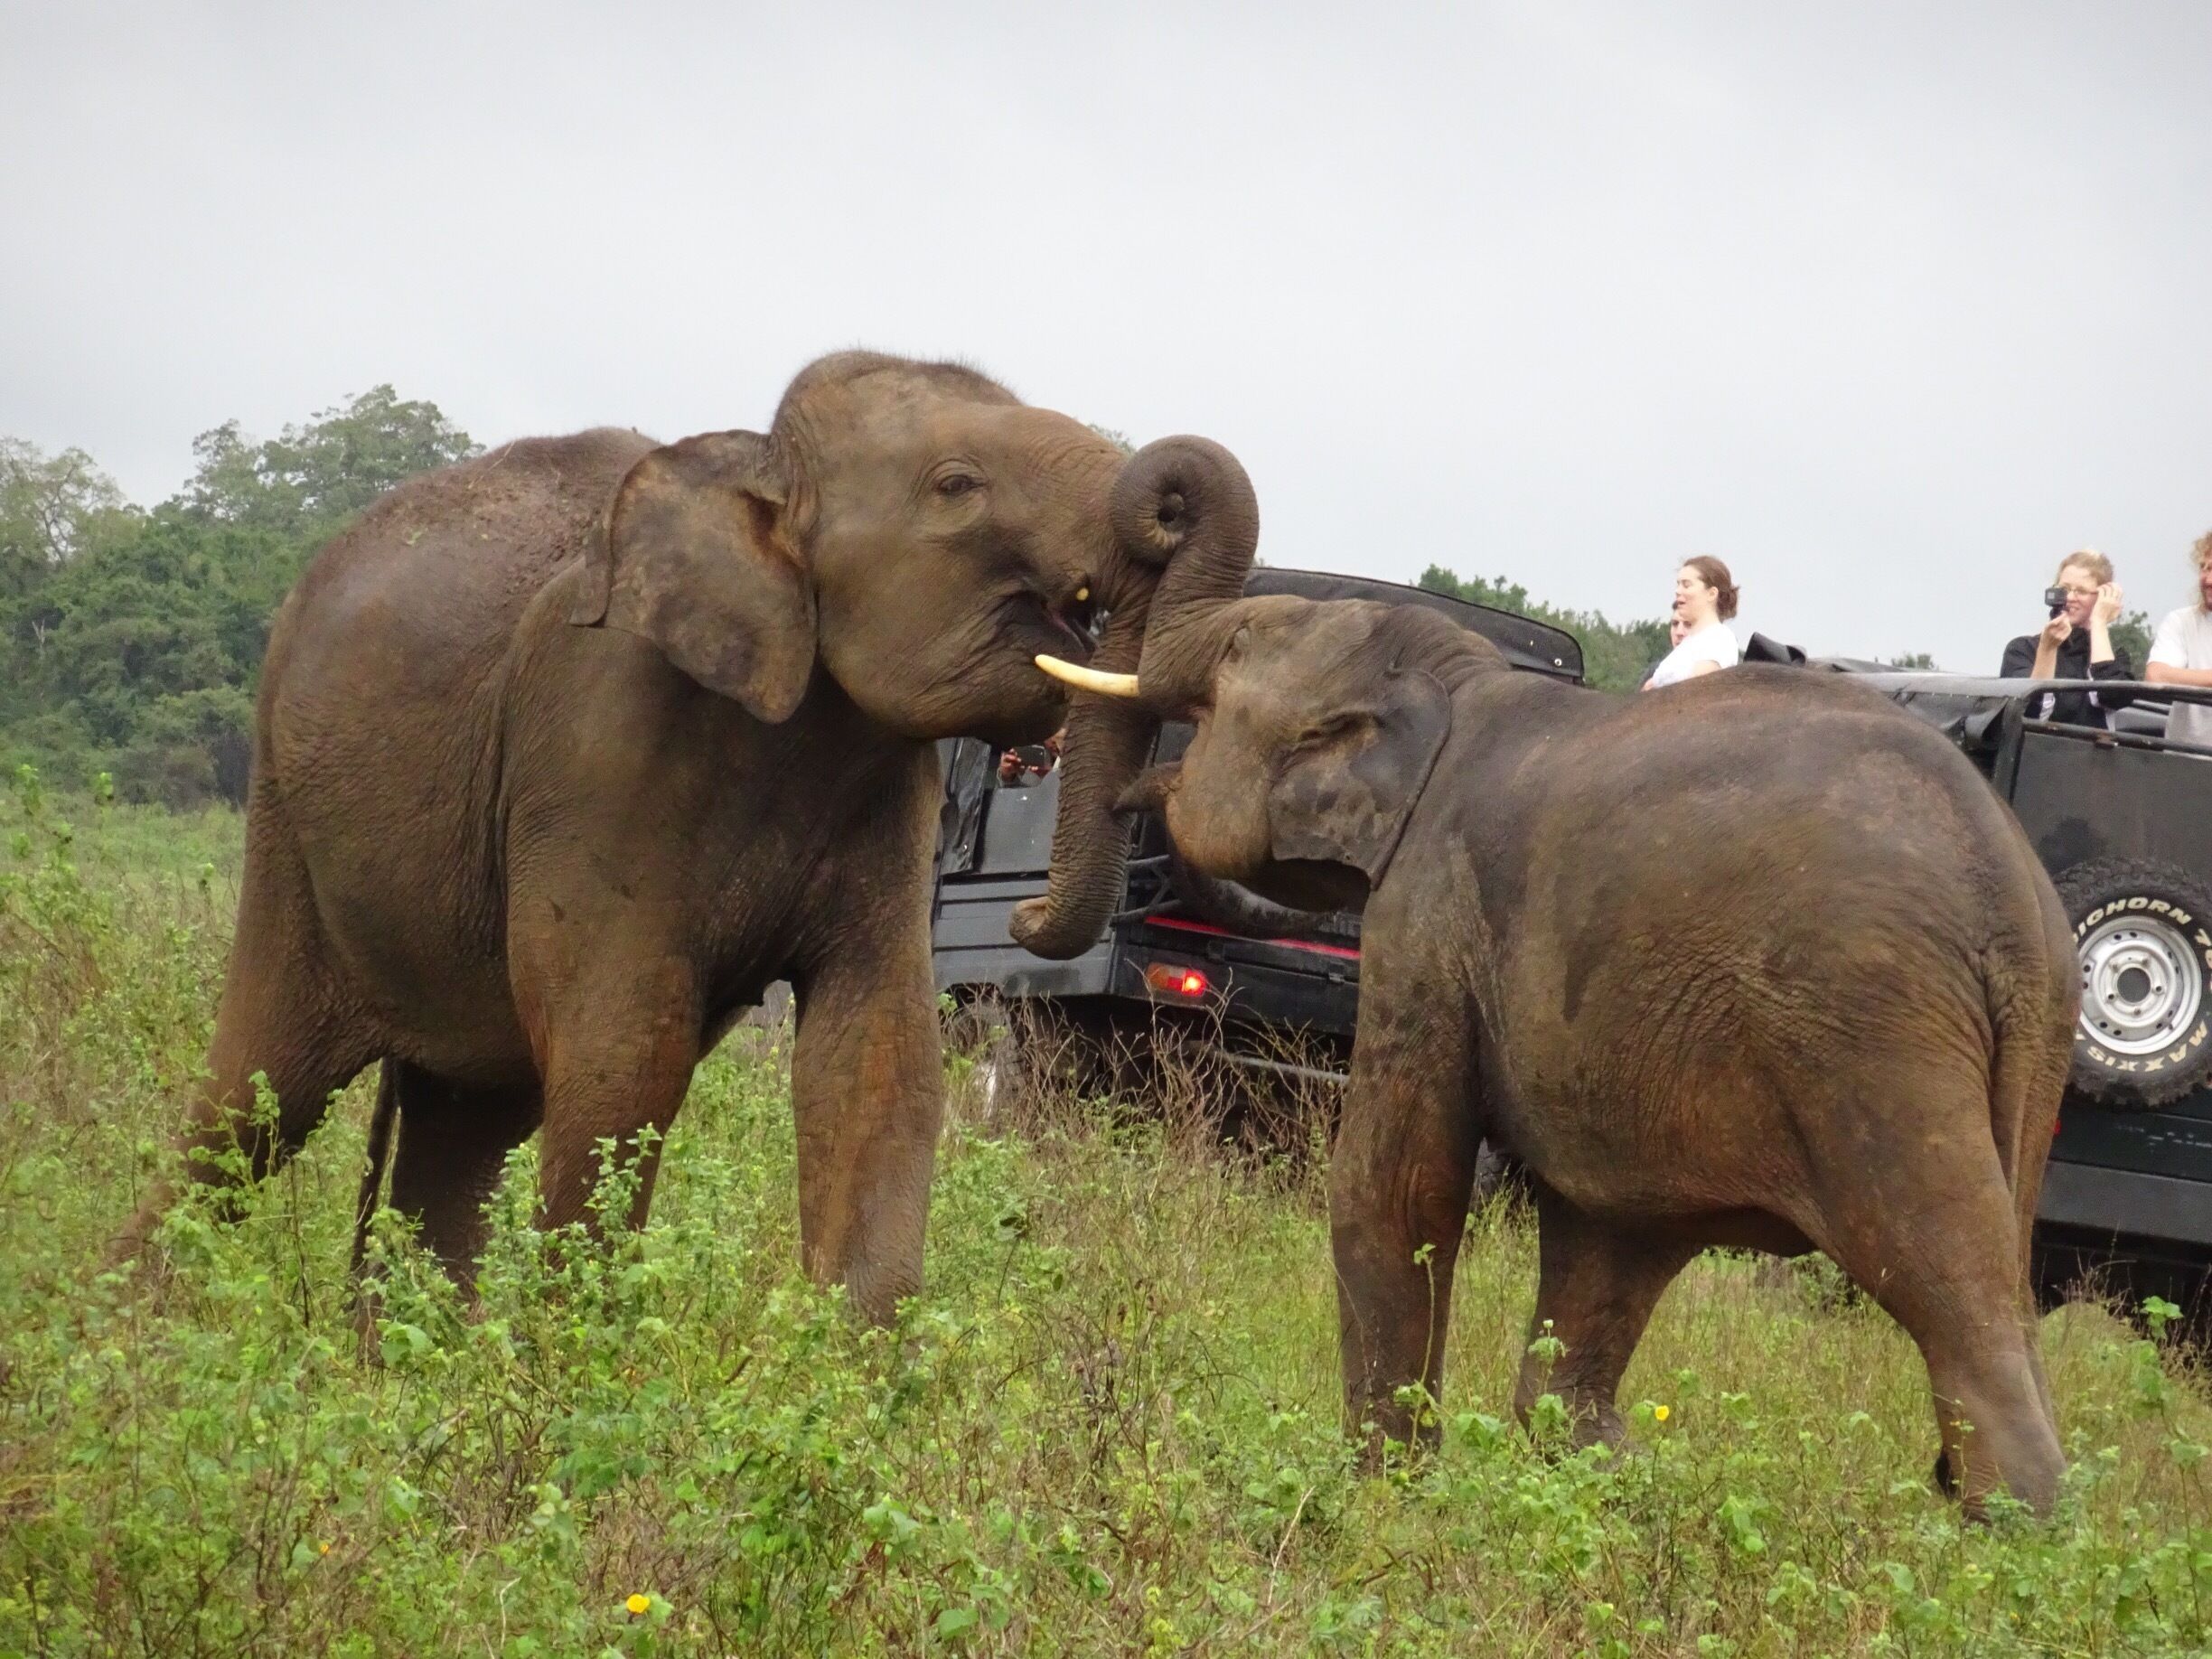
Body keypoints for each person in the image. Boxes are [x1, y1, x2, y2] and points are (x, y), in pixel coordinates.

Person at [1999, 551, 2135, 728]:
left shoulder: (2114, 656)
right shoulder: (2021, 649)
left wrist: (2099, 622)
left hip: (2092, 753)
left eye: (2081, 591)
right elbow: (2029, 710)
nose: (2070, 598)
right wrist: (2047, 649)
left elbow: (2114, 698)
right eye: (2064, 589)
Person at [2146, 530, 2212, 748]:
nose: (2208, 579)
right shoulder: (2180, 621)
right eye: (2205, 568)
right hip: (2185, 763)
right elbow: (2156, 676)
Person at [1643, 557, 1740, 691]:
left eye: (1686, 585)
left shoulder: (1720, 638)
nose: (1678, 591)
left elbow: (1697, 686)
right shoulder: (1687, 644)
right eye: (1678, 584)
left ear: (1711, 594)